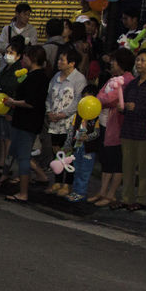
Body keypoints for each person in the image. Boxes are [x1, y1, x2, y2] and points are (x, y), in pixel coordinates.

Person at [3, 46, 50, 203]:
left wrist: (13, 102)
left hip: (27, 122)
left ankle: (23, 193)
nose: (23, 60)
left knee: (23, 157)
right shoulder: (32, 75)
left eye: (25, 57)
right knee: (18, 152)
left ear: (33, 59)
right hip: (22, 120)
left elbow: (31, 102)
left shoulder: (37, 77)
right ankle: (39, 176)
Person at [118, 49, 146, 210]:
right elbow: (123, 105)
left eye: (143, 60)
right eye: (137, 60)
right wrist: (122, 107)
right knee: (127, 166)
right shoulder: (132, 84)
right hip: (129, 129)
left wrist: (136, 107)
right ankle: (126, 197)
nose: (139, 63)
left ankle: (142, 199)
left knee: (145, 167)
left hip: (145, 131)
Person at [93, 49, 136, 208]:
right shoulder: (112, 79)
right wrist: (101, 99)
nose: (111, 64)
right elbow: (100, 95)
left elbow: (110, 99)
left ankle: (111, 194)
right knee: (106, 159)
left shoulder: (127, 80)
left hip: (116, 126)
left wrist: (102, 99)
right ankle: (102, 191)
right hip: (104, 123)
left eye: (114, 61)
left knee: (115, 161)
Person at [44, 46, 87, 197]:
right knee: (56, 151)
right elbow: (49, 96)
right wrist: (49, 112)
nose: (59, 62)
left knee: (68, 153)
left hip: (69, 122)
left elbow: (78, 101)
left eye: (63, 59)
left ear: (72, 63)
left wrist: (63, 114)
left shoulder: (79, 79)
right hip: (54, 122)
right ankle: (57, 180)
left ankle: (67, 183)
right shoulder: (56, 76)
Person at [0, 36, 25, 181]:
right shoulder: (6, 68)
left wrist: (0, 89)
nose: (8, 55)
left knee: (7, 138)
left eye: (12, 52)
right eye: (7, 51)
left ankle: (5, 166)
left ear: (19, 56)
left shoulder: (19, 71)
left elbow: (14, 89)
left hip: (8, 108)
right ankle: (1, 162)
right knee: (2, 137)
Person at [64, 84, 103, 203]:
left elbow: (97, 133)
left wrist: (88, 137)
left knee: (85, 171)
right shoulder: (78, 115)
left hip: (89, 149)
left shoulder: (96, 117)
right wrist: (68, 144)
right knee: (77, 169)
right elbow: (71, 130)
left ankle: (81, 192)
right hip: (77, 146)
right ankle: (75, 191)